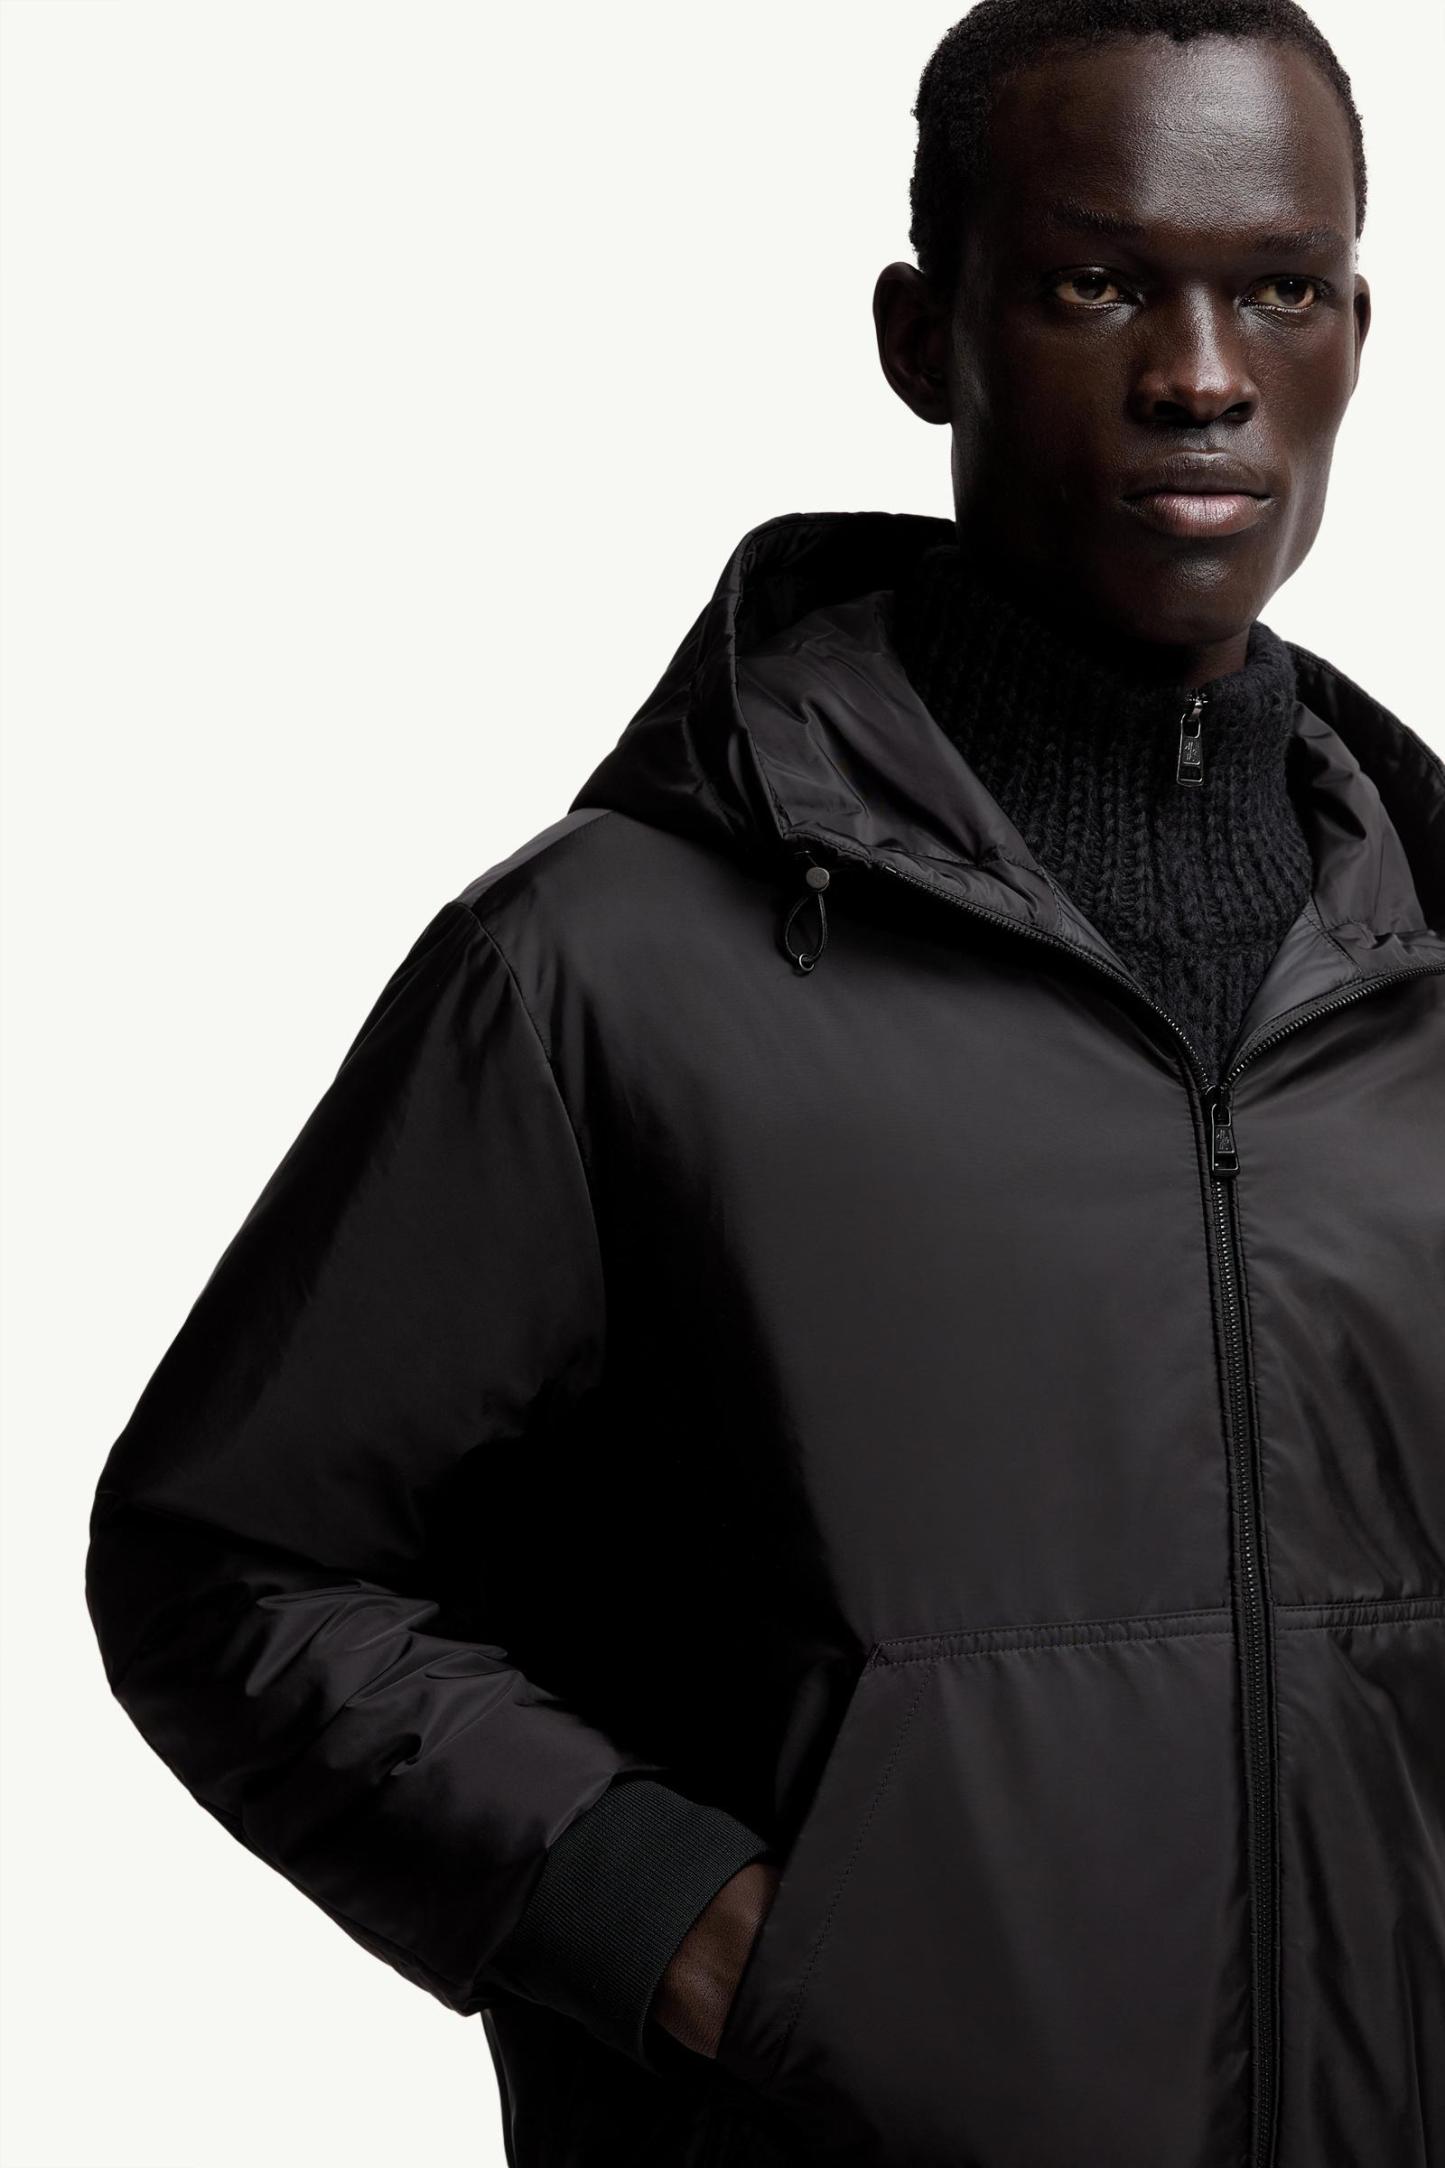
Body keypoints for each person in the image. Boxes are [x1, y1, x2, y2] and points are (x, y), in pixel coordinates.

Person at [86, 1, 1445, 2163]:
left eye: (1278, 289)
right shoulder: (606, 967)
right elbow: (231, 1560)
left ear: (1354, 334)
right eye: (1096, 284)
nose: (1202, 374)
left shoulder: (1424, 974)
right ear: (925, 338)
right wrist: (676, 1924)